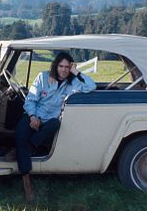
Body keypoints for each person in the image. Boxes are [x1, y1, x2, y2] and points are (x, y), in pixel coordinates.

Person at [7, 51, 96, 201]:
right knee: (20, 132)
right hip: (33, 115)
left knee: (55, 124)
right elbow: (31, 99)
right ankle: (26, 179)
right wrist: (32, 117)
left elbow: (90, 86)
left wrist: (76, 72)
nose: (64, 70)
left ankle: (24, 149)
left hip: (50, 120)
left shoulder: (73, 82)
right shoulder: (43, 77)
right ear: (56, 66)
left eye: (67, 67)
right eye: (61, 66)